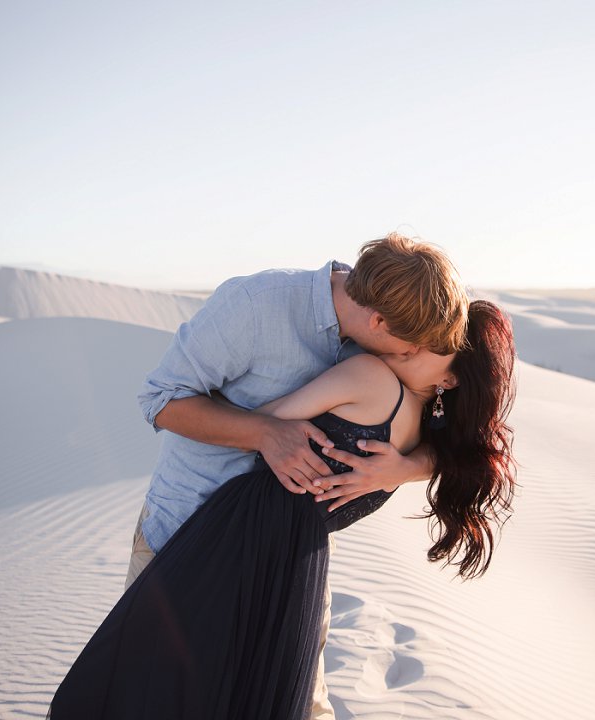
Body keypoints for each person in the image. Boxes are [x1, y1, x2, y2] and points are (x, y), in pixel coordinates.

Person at [47, 301, 517, 719]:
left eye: (436, 344)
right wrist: (413, 465)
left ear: (451, 377)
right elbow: (468, 462)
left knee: (151, 683)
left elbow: (263, 419)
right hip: (297, 571)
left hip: (235, 540)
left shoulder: (370, 377)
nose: (415, 343)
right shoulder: (425, 443)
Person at [127, 233, 469, 719]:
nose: (410, 358)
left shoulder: (383, 333)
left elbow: (455, 434)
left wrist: (408, 466)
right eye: (411, 348)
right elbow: (160, 401)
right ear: (377, 321)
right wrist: (265, 432)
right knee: (158, 701)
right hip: (182, 538)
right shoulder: (254, 306)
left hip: (286, 561)